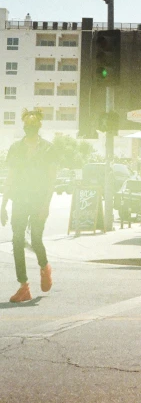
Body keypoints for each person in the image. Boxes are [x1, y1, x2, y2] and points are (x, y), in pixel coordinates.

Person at [0, 109, 57, 303]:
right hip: (20, 199)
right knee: (16, 240)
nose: (28, 129)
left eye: (32, 127)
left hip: (39, 200)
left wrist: (46, 205)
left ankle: (44, 267)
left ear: (38, 127)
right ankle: (23, 286)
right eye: (26, 126)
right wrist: (3, 204)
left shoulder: (49, 149)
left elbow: (51, 181)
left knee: (35, 239)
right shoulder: (16, 148)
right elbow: (11, 177)